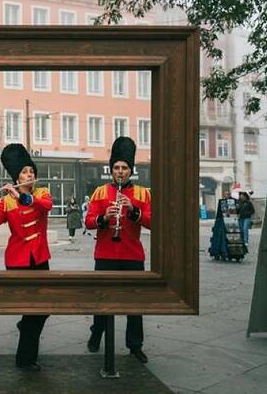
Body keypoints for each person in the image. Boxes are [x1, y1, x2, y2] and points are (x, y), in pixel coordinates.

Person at [0, 143, 52, 372]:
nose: (29, 175)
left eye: (31, 171)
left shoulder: (41, 193)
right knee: (33, 310)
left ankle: (25, 328)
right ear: (16, 176)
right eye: (24, 172)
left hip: (40, 258)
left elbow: (46, 207)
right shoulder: (7, 200)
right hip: (18, 261)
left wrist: (24, 196)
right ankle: (25, 359)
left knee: (42, 310)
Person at [84, 136, 152, 364]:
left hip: (133, 256)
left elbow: (153, 222)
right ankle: (96, 333)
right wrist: (104, 218)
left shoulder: (143, 194)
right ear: (111, 169)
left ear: (130, 170)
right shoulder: (101, 192)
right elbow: (89, 221)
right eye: (116, 168)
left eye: (124, 168)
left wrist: (133, 211)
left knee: (135, 304)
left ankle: (135, 345)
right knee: (102, 301)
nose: (120, 172)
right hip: (105, 255)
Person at [208, 191, 231, 259]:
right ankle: (218, 251)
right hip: (220, 220)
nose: (227, 195)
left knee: (224, 237)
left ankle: (223, 251)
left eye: (228, 194)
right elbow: (219, 212)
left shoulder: (231, 201)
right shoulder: (222, 201)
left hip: (227, 221)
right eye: (226, 194)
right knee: (218, 237)